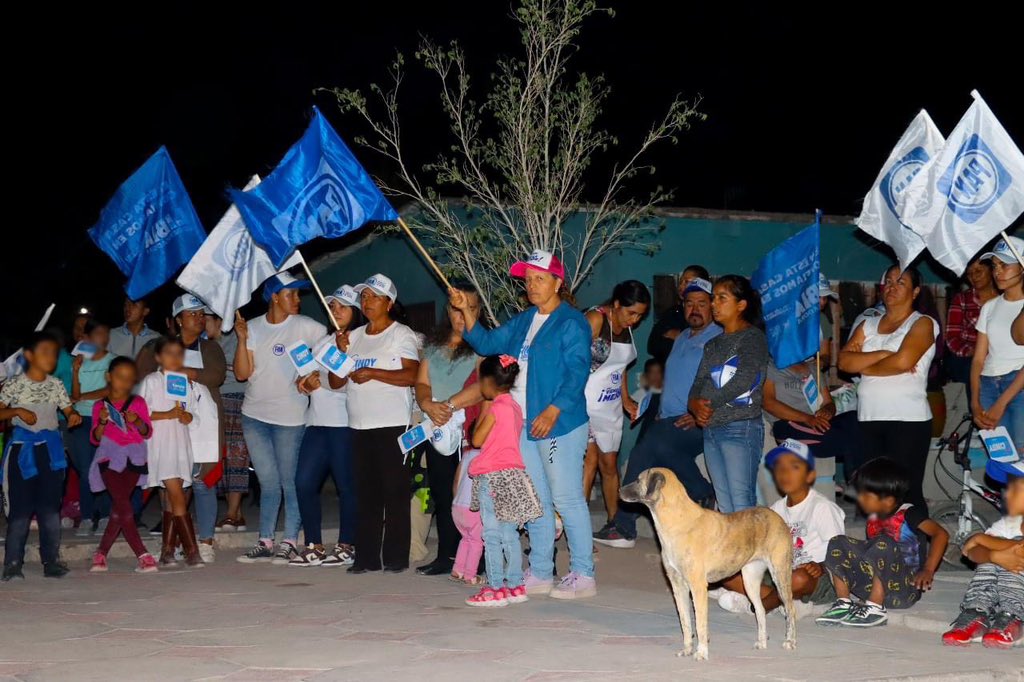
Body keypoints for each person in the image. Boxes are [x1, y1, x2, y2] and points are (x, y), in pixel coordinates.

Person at [451, 250, 595, 599]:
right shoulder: (525, 319)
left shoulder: (571, 322)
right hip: (527, 425)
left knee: (566, 497)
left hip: (560, 424)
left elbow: (577, 372)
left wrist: (553, 410)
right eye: (528, 279)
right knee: (537, 500)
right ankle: (542, 571)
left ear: (558, 282)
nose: (532, 285)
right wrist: (468, 310)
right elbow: (485, 343)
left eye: (540, 278)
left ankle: (583, 573)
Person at [596, 279, 721, 549]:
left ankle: (625, 525)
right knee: (655, 450)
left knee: (648, 448)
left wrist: (700, 409)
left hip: (698, 421)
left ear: (712, 306)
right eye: (689, 304)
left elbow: (722, 381)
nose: (695, 309)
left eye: (701, 303)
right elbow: (673, 378)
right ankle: (703, 495)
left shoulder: (719, 339)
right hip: (669, 419)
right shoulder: (682, 337)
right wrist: (659, 410)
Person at [328, 274, 420, 574]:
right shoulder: (352, 337)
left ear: (389, 303)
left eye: (373, 297)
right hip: (359, 424)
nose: (366, 302)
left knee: (394, 493)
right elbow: (334, 380)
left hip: (392, 423)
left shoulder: (400, 334)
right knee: (365, 493)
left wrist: (374, 373)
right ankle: (365, 558)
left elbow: (411, 376)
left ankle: (395, 558)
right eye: (363, 297)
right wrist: (341, 353)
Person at [233, 273, 325, 564]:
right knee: (268, 481)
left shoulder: (306, 326)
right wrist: (242, 339)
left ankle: (289, 541)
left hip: (291, 417)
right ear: (274, 296)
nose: (297, 300)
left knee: (290, 481)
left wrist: (313, 374)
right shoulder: (254, 328)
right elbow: (241, 374)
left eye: (298, 294)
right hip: (254, 415)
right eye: (291, 294)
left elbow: (331, 348)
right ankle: (265, 540)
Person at [839, 265, 939, 510]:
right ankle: (878, 547)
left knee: (906, 492)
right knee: (873, 494)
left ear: (915, 291)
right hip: (869, 417)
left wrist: (865, 364)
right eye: (889, 281)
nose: (892, 287)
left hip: (907, 420)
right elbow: (844, 362)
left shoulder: (923, 323)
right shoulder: (868, 324)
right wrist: (885, 354)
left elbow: (904, 361)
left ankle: (912, 547)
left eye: (901, 282)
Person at [139, 294, 227, 561]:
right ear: (177, 320)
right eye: (192, 314)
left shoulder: (210, 348)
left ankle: (206, 542)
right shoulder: (157, 347)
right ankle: (173, 545)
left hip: (202, 422)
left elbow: (217, 375)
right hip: (169, 424)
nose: (199, 319)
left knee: (202, 483)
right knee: (172, 485)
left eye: (202, 314)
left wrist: (188, 372)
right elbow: (142, 377)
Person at [716, 440, 845, 616]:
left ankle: (756, 606)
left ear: (810, 475)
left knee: (798, 579)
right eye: (779, 467)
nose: (785, 473)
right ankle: (786, 603)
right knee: (726, 572)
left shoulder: (822, 507)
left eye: (794, 467)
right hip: (781, 572)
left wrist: (821, 566)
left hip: (815, 578)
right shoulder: (776, 509)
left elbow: (841, 549)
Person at [816, 457, 948, 628]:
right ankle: (843, 603)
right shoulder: (873, 519)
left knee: (882, 543)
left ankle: (875, 609)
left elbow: (941, 534)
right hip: (869, 587)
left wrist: (928, 569)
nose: (860, 499)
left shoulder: (909, 513)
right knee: (838, 541)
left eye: (865, 495)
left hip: (903, 590)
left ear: (888, 500)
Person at [0, 332, 82, 581]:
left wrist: (73, 416)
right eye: (45, 352)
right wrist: (16, 410)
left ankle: (52, 561)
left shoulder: (55, 384)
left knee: (49, 508)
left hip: (51, 451)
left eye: (54, 354)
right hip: (23, 450)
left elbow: (68, 409)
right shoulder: (14, 384)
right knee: (20, 510)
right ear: (28, 355)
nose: (52, 358)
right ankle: (13, 563)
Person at [289, 285, 360, 568]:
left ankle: (347, 544)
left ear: (355, 312)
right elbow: (302, 377)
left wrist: (339, 359)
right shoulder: (323, 341)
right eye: (332, 306)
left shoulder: (359, 341)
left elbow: (350, 382)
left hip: (343, 423)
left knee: (346, 486)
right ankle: (314, 545)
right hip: (316, 423)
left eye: (343, 306)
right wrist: (304, 383)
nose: (337, 311)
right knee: (303, 482)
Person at [414, 283, 481, 577]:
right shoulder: (433, 345)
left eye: (469, 307)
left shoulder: (483, 345)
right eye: (456, 308)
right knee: (442, 494)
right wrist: (428, 404)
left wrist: (451, 405)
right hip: (437, 427)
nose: (461, 314)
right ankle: (446, 555)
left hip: (469, 428)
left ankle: (476, 555)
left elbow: (485, 386)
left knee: (470, 495)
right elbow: (421, 382)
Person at [465, 355, 543, 607]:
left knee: (491, 534)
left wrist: (483, 413)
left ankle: (495, 587)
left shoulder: (496, 408)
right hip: (513, 475)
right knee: (509, 533)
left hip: (493, 476)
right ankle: (515, 585)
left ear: (488, 381)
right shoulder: (514, 407)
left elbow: (477, 440)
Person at [688, 275, 769, 513]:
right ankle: (733, 551)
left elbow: (744, 379)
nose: (714, 304)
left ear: (741, 305)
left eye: (722, 298)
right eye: (713, 298)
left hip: (740, 427)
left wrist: (708, 404)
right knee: (724, 501)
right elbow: (699, 380)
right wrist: (693, 404)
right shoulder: (713, 344)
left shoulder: (753, 338)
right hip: (711, 428)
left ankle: (751, 551)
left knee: (741, 500)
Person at [583, 280, 649, 533]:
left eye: (640, 316)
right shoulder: (595, 319)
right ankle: (577, 530)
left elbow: (618, 367)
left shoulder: (627, 328)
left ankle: (614, 524)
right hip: (586, 404)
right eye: (631, 313)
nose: (635, 320)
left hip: (610, 407)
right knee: (589, 462)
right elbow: (572, 361)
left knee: (609, 464)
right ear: (617, 304)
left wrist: (626, 400)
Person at [86, 357, 159, 574]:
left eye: (129, 379)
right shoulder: (100, 405)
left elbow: (148, 432)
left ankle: (101, 553)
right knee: (122, 504)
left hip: (134, 459)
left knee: (120, 508)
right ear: (109, 377)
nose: (124, 383)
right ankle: (142, 554)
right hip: (109, 458)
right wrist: (101, 421)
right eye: (120, 377)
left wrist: (137, 421)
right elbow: (95, 439)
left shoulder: (138, 402)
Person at [942, 460, 1024, 648]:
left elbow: (1020, 550)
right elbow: (971, 553)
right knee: (991, 559)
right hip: (1010, 589)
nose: (1006, 493)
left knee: (1013, 562)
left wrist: (981, 538)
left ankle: (1013, 618)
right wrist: (993, 556)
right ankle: (976, 613)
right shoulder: (1009, 524)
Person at [139, 337, 206, 568]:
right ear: (158, 357)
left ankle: (167, 552)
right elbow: (141, 413)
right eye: (169, 353)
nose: (175, 358)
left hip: (181, 444)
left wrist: (187, 416)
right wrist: (167, 414)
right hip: (160, 444)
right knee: (176, 494)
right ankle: (191, 550)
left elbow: (194, 413)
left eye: (179, 354)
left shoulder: (185, 383)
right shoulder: (152, 380)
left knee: (171, 498)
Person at [972, 237, 1024, 454]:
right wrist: (974, 402)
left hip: (1019, 387)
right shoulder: (990, 307)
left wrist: (1002, 402)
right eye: (994, 266)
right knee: (1001, 460)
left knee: (1020, 461)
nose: (997, 272)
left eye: (1005, 265)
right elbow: (978, 359)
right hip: (988, 385)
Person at [764, 356, 860, 463]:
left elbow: (828, 402)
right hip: (787, 423)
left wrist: (827, 411)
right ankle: (859, 476)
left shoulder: (813, 367)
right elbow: (768, 403)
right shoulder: (770, 366)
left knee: (854, 419)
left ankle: (862, 473)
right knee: (843, 438)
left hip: (815, 420)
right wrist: (807, 418)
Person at [205, 314, 250, 532]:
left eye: (204, 319)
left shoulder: (238, 337)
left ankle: (232, 512)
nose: (201, 323)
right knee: (218, 458)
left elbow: (243, 370)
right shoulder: (203, 343)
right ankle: (237, 514)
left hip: (236, 400)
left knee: (237, 456)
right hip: (212, 403)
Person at [70, 319, 113, 536]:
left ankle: (105, 515)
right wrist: (76, 372)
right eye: (98, 334)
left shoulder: (112, 361)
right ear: (86, 338)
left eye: (106, 334)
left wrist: (81, 397)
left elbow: (109, 390)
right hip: (80, 419)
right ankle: (87, 517)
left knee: (103, 467)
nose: (103, 338)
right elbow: (72, 394)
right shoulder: (78, 362)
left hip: (103, 419)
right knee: (86, 469)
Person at [945, 256, 999, 385]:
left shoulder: (1005, 298)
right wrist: (971, 350)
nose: (974, 276)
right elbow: (952, 337)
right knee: (976, 367)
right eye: (969, 274)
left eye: (978, 271)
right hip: (970, 358)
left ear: (992, 270)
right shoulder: (962, 299)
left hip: (1000, 355)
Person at [647, 265, 711, 363]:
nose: (681, 287)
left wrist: (680, 335)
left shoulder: (712, 313)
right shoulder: (672, 312)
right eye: (680, 282)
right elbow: (653, 346)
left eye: (686, 282)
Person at [451, 447, 483, 585]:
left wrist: (455, 500)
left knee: (466, 539)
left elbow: (456, 481)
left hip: (457, 506)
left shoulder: (467, 454)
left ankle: (457, 570)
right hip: (473, 508)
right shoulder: (488, 455)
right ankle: (470, 575)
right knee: (476, 542)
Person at [630, 358, 664, 444]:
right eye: (652, 373)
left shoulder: (669, 392)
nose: (656, 376)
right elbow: (631, 402)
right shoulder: (645, 392)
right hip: (648, 431)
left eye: (658, 372)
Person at [819, 273, 838, 373]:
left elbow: (825, 354)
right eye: (818, 297)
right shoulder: (791, 320)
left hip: (813, 372)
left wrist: (821, 362)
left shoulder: (822, 320)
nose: (822, 302)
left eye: (825, 298)